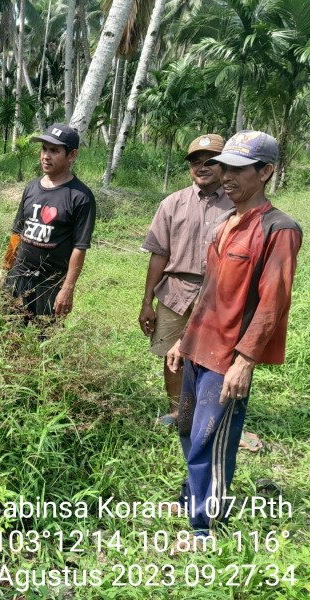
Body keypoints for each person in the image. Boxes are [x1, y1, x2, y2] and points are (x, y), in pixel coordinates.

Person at [166, 131, 302, 543]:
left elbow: (272, 302)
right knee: (188, 429)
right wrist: (183, 339)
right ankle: (191, 499)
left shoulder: (278, 228)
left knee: (212, 440)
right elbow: (209, 292)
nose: (226, 175)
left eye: (238, 169)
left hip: (228, 357)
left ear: (266, 172)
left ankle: (205, 528)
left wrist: (245, 361)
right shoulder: (226, 223)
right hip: (198, 346)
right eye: (224, 166)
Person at [140, 134, 233, 426]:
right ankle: (178, 411)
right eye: (195, 162)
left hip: (220, 294)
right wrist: (147, 302)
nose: (202, 167)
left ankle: (213, 417)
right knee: (172, 354)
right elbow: (159, 255)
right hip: (175, 292)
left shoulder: (237, 204)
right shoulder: (172, 203)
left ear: (225, 164)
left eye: (210, 161)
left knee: (216, 357)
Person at [0, 123, 96, 330]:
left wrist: (67, 289)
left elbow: (79, 248)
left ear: (71, 155)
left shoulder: (80, 197)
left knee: (44, 338)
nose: (46, 156)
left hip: (50, 284)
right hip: (18, 276)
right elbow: (17, 232)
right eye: (44, 149)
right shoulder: (31, 188)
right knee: (9, 333)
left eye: (54, 150)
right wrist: (5, 269)